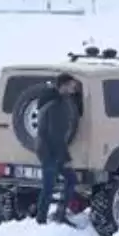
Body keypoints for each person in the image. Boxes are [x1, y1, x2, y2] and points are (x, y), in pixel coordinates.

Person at [34, 73, 80, 225]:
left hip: (49, 149)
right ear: (64, 86)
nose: (74, 88)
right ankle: (41, 220)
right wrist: (66, 159)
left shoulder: (54, 100)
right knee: (49, 186)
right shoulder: (55, 105)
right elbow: (56, 135)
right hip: (50, 151)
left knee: (70, 179)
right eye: (72, 85)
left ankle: (59, 214)